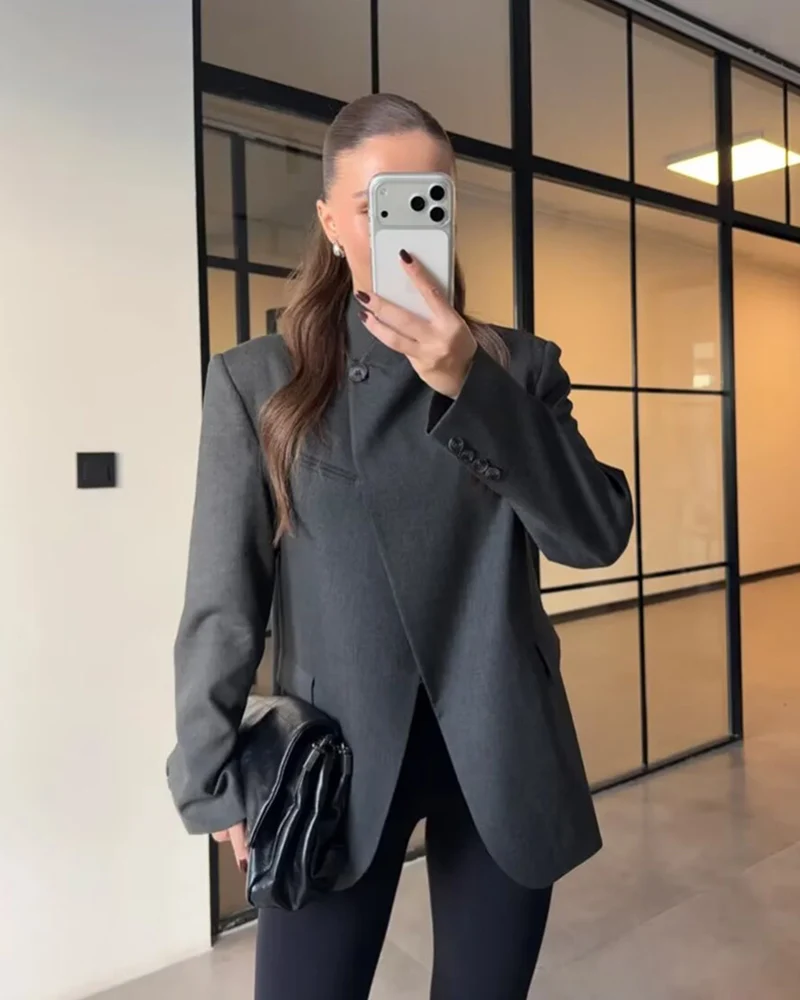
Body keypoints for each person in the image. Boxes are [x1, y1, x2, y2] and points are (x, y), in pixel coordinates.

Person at [167, 93, 633, 1000]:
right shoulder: (260, 381)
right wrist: (211, 768)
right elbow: (223, 597)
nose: (409, 223)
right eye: (380, 202)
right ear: (332, 224)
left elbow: (595, 533)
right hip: (332, 757)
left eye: (431, 196)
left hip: (502, 736)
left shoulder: (521, 367)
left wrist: (471, 385)